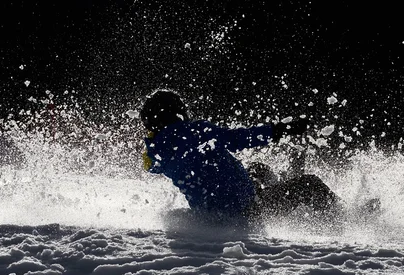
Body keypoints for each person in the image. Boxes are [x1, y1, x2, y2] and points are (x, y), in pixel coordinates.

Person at [139, 89, 340, 224]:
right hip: (249, 212)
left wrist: (154, 137)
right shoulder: (198, 132)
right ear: (179, 113)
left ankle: (282, 187)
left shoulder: (156, 153)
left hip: (211, 214)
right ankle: (345, 219)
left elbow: (151, 163)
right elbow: (239, 139)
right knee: (310, 184)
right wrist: (281, 129)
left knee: (257, 168)